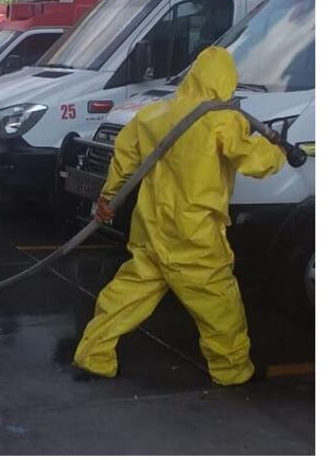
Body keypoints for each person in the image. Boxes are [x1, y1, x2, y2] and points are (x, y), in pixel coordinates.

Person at [72, 47, 287, 385]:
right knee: (218, 304)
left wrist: (108, 199)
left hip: (152, 227)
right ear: (226, 80)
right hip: (194, 233)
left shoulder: (154, 115)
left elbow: (125, 159)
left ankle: (93, 353)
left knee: (128, 294)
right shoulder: (222, 119)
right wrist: (278, 150)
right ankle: (232, 371)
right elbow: (256, 163)